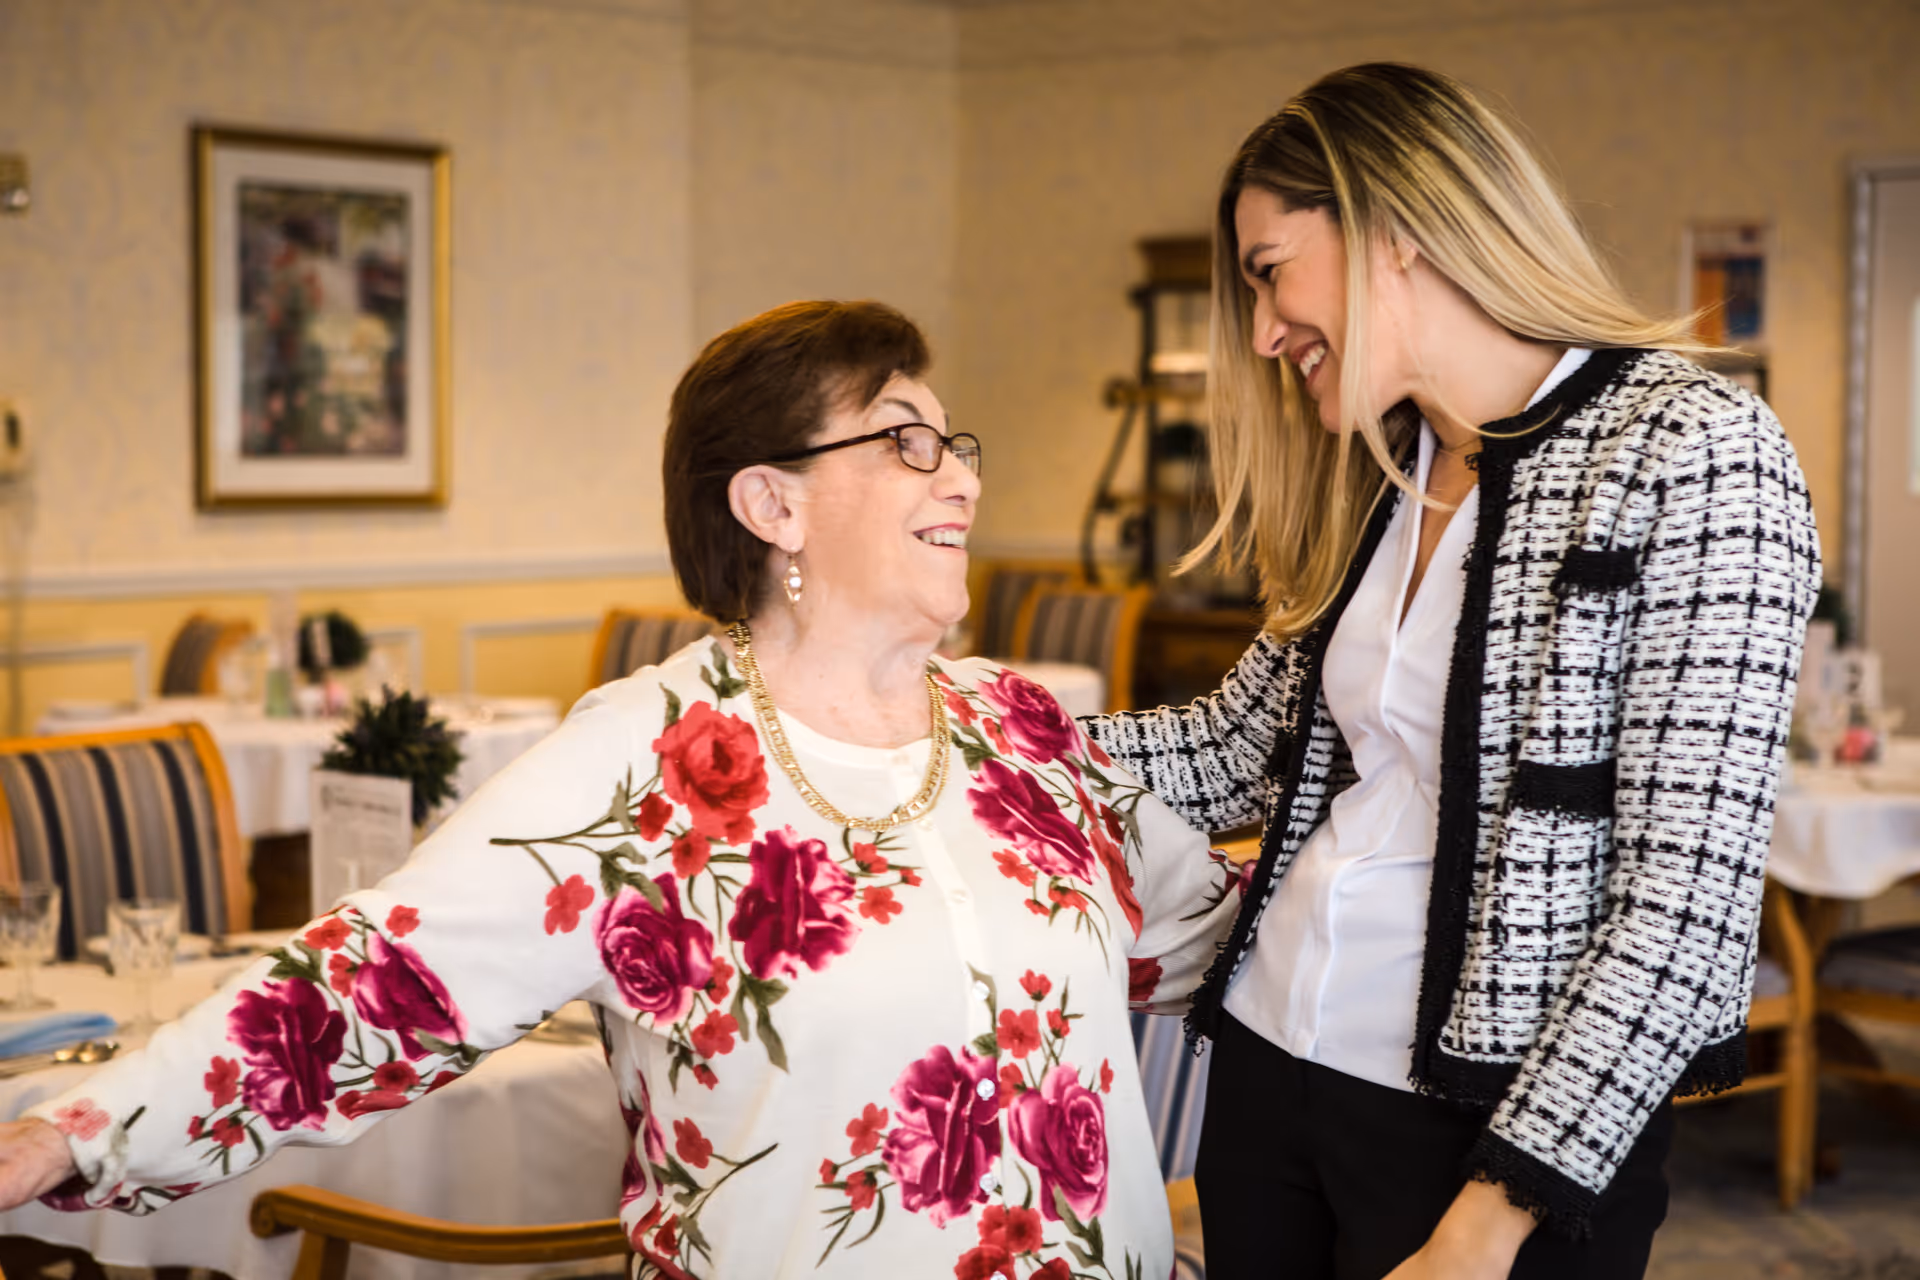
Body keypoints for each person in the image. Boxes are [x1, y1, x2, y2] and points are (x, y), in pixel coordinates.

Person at [0, 301, 1243, 1279]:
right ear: (773, 501)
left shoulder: (1019, 726)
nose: (963, 480)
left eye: (955, 446)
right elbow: (379, 979)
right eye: (907, 442)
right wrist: (73, 1128)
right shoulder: (648, 760)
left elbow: (1216, 938)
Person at [1083, 64, 1821, 1280]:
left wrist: (1492, 1217)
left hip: (1494, 1137)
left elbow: (1684, 911)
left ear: (1394, 230)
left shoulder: (1692, 448)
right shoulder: (1381, 466)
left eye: (1270, 270)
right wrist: (957, 723)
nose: (1264, 331)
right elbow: (1231, 749)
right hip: (1272, 1068)